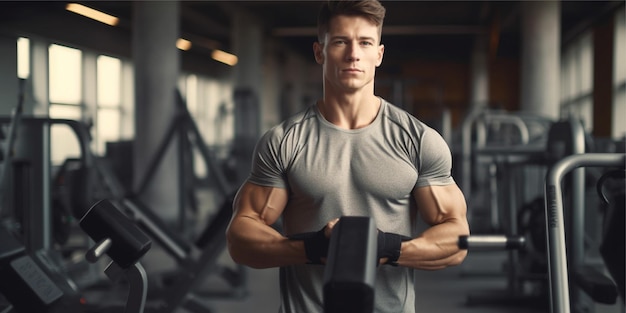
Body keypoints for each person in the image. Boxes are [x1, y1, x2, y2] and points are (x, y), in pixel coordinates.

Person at [226, 0, 470, 312]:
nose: (354, 54)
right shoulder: (284, 141)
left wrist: (385, 248)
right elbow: (240, 237)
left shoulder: (419, 140)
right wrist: (314, 249)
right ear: (319, 52)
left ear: (378, 54)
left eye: (365, 42)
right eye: (340, 41)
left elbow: (457, 240)